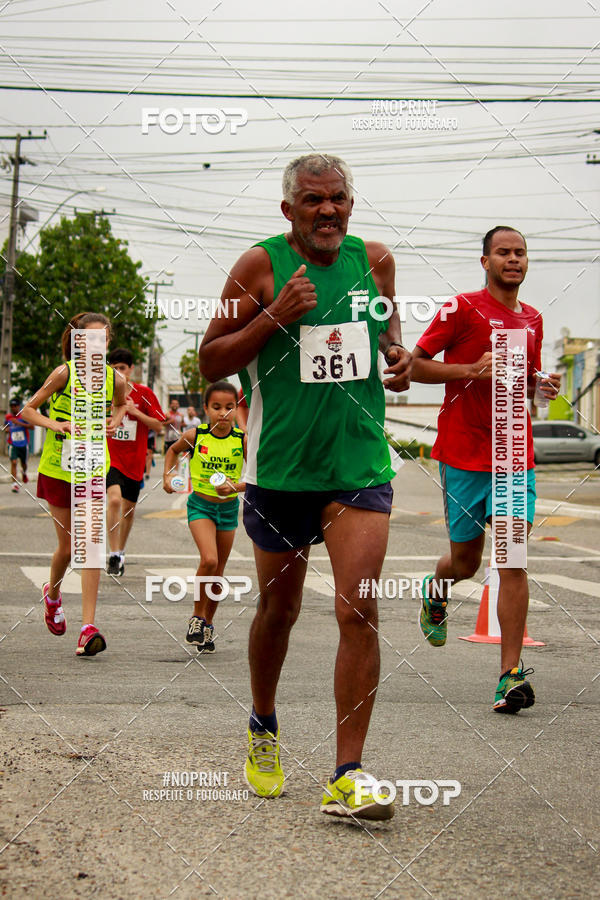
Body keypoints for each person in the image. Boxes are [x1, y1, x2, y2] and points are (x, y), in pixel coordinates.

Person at [199, 153, 411, 819]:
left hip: (359, 467)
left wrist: (398, 356)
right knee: (279, 612)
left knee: (358, 610)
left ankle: (347, 775)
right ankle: (263, 723)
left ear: (351, 203)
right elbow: (210, 358)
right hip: (281, 470)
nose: (328, 211)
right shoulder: (258, 267)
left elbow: (388, 332)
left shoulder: (376, 261)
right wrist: (275, 316)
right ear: (288, 210)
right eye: (314, 200)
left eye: (339, 199)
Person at [411, 226, 560, 713]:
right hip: (463, 454)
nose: (513, 260)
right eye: (503, 253)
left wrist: (543, 388)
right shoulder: (461, 308)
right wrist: (470, 369)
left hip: (515, 456)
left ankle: (509, 675)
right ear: (485, 261)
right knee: (465, 563)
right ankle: (438, 588)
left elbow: (527, 382)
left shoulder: (534, 318)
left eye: (520, 253)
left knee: (512, 559)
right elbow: (413, 367)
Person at [20, 312, 127, 656]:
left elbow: (122, 405)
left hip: (94, 468)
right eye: (87, 339)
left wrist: (114, 419)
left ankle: (88, 627)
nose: (94, 345)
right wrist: (57, 425)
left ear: (108, 342)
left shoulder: (115, 380)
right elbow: (28, 410)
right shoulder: (64, 373)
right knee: (67, 550)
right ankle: (52, 596)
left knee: (91, 544)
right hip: (58, 468)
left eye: (101, 339)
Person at [163, 381, 246, 653]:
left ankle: (209, 624)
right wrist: (169, 475)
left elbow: (259, 475)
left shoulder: (241, 440)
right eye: (216, 407)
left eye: (229, 407)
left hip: (228, 509)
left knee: (218, 572)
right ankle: (197, 618)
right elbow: (172, 451)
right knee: (209, 559)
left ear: (236, 409)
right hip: (200, 505)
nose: (223, 413)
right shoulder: (195, 435)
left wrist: (236, 486)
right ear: (206, 408)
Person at [106, 348, 166, 576]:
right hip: (110, 458)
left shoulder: (144, 393)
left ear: (131, 369)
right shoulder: (104, 393)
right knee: (113, 500)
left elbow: (159, 426)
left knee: (128, 511)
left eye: (122, 368)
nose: (118, 372)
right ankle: (112, 553)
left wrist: (134, 411)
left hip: (135, 461)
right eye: (114, 368)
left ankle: (120, 551)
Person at [5, 397, 33, 492]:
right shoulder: (8, 417)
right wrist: (6, 429)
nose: (13, 408)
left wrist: (19, 423)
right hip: (12, 444)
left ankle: (24, 473)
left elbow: (32, 427)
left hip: (24, 444)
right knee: (13, 462)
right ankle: (14, 484)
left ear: (18, 406)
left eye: (15, 406)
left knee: (24, 464)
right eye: (11, 406)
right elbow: (5, 427)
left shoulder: (24, 416)